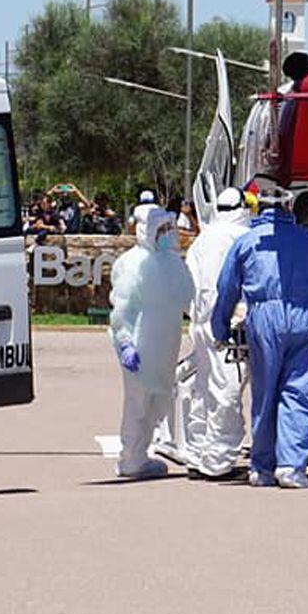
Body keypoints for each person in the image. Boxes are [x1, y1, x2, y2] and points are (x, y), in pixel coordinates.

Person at [211, 189, 308, 489]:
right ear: (290, 207)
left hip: (265, 318)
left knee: (265, 393)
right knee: (301, 392)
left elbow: (226, 289)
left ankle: (262, 467)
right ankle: (292, 467)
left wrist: (221, 329)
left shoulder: (247, 242)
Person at [108, 205, 195, 478]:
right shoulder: (131, 263)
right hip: (140, 343)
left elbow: (187, 298)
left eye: (170, 228)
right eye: (163, 230)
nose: (169, 234)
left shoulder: (172, 262)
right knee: (137, 402)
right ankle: (130, 459)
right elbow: (121, 308)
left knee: (157, 401)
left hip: (165, 343)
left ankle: (140, 455)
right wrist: (124, 343)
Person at [182, 187, 253, 478]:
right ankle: (218, 463)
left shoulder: (204, 238)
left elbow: (189, 282)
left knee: (203, 388)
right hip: (226, 324)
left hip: (200, 323)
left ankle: (198, 453)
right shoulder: (241, 238)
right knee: (227, 390)